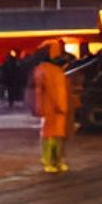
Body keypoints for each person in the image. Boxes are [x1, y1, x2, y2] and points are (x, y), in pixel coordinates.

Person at [30, 44, 74, 174]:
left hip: (51, 109)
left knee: (52, 136)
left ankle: (52, 161)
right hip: (55, 109)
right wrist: (62, 106)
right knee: (54, 137)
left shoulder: (44, 70)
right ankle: (54, 161)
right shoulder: (55, 73)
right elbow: (57, 93)